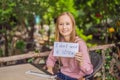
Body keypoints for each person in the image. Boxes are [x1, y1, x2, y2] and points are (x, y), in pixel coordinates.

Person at [46, 12, 93, 80]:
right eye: (61, 24)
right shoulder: (60, 43)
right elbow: (51, 58)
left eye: (67, 24)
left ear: (73, 26)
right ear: (57, 27)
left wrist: (81, 62)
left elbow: (89, 71)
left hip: (77, 77)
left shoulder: (80, 44)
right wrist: (50, 68)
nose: (64, 27)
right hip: (62, 74)